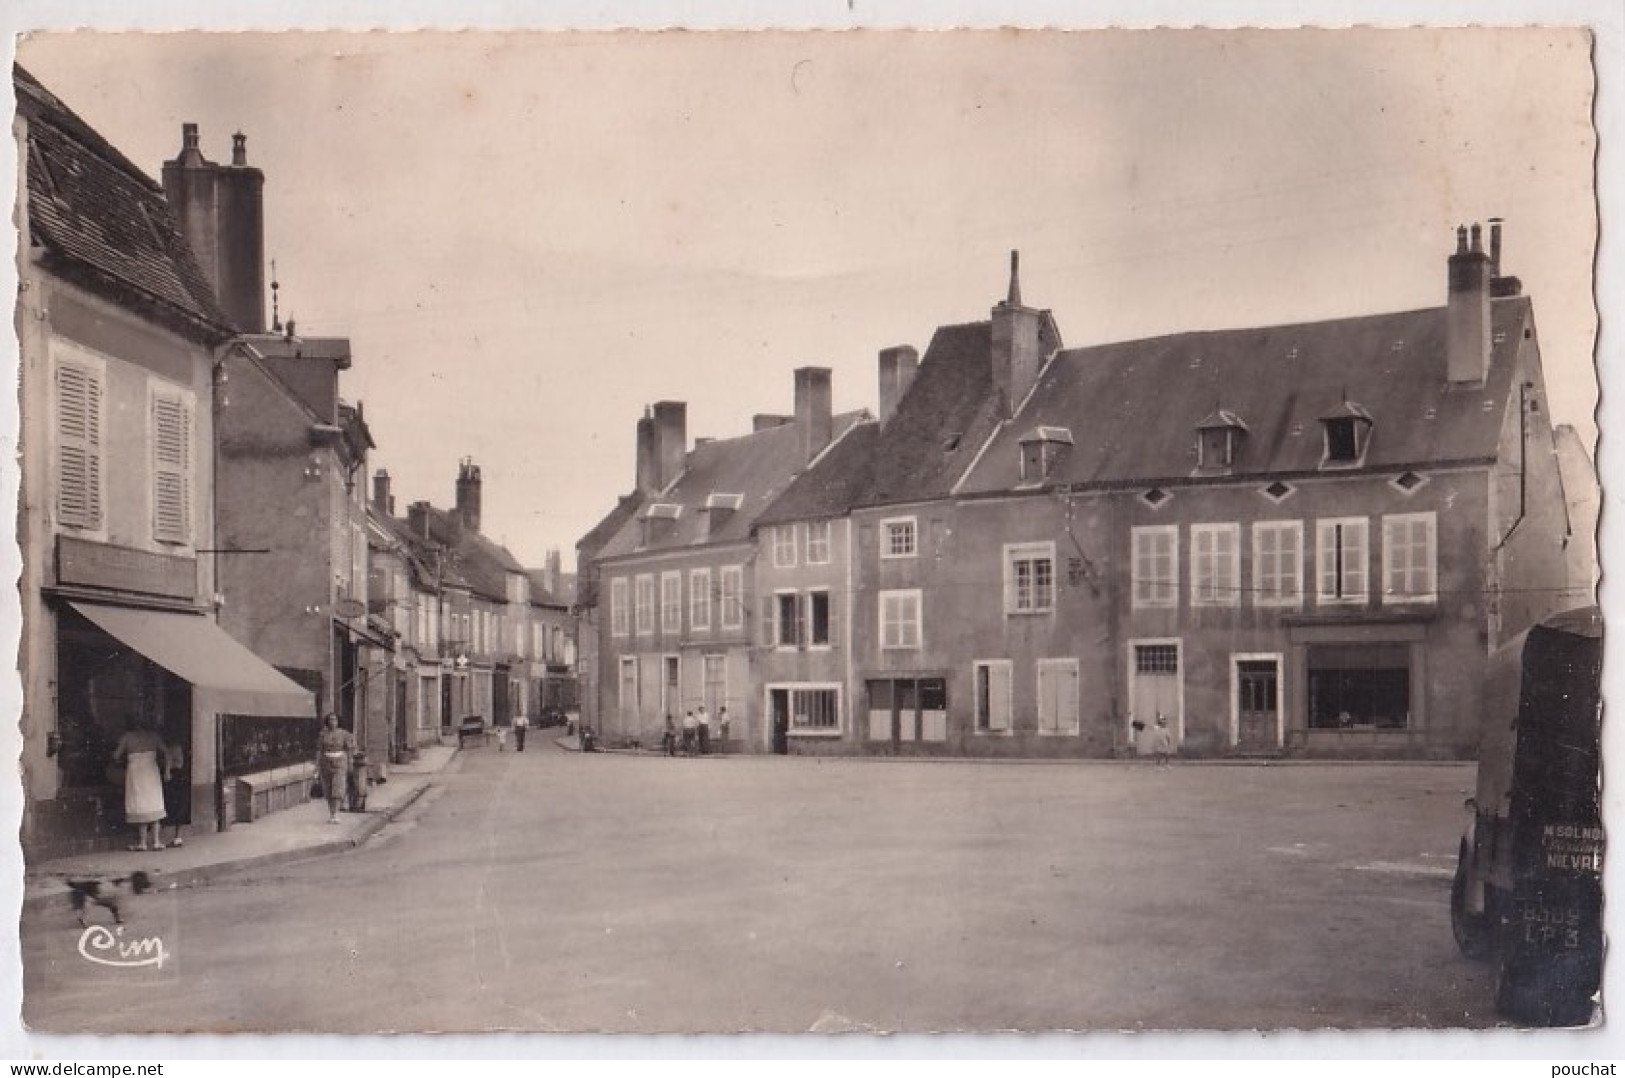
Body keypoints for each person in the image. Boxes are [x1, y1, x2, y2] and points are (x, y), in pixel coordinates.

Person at [111, 718, 167, 851]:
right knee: (154, 803)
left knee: (140, 804)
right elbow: (166, 752)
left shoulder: (127, 737)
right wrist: (167, 769)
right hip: (151, 771)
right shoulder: (154, 737)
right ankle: (156, 841)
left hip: (136, 773)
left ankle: (142, 843)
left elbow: (115, 755)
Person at [315, 713, 357, 824]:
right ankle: (331, 813)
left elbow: (349, 750)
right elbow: (319, 750)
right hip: (326, 762)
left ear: (338, 721)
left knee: (337, 787)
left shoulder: (344, 734)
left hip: (340, 762)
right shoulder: (323, 735)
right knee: (328, 788)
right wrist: (317, 766)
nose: (332, 722)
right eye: (330, 720)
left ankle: (336, 813)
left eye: (334, 719)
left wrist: (350, 763)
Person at [160, 736, 187, 849]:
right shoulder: (179, 747)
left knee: (169, 804)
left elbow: (168, 763)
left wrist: (166, 772)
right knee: (180, 805)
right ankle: (178, 837)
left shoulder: (170, 749)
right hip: (181, 775)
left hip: (173, 776)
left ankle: (160, 837)